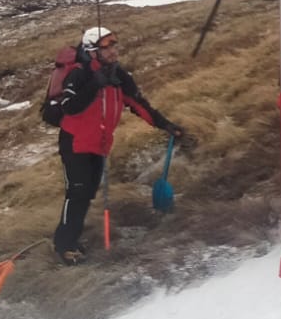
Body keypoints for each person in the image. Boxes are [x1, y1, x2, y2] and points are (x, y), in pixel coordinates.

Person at [52, 26, 183, 263]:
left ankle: (73, 237)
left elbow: (138, 104)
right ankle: (64, 245)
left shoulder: (119, 76)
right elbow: (68, 107)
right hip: (75, 143)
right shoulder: (79, 74)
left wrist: (166, 125)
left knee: (87, 193)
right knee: (77, 193)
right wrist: (95, 85)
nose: (113, 51)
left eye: (114, 45)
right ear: (93, 52)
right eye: (107, 47)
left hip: (100, 145)